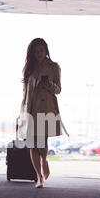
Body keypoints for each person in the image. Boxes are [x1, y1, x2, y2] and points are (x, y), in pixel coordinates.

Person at [17, 38, 69, 188]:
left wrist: (49, 84)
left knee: (42, 141)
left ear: (46, 50)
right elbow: (25, 93)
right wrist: (21, 112)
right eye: (36, 51)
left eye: (41, 50)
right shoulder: (29, 68)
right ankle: (39, 176)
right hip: (29, 108)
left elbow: (58, 90)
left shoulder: (53, 67)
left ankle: (44, 161)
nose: (39, 53)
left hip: (46, 108)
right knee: (32, 144)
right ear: (32, 53)